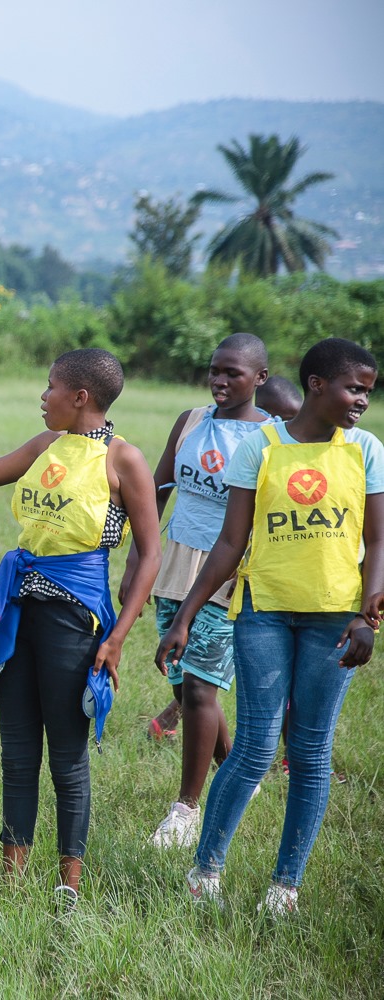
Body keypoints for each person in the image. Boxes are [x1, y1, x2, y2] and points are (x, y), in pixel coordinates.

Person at [0, 349, 161, 911]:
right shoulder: (45, 447)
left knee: (67, 754)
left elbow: (150, 554)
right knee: (17, 753)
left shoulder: (123, 461)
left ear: (80, 398)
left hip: (75, 617)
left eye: (49, 387)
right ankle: (10, 880)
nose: (41, 397)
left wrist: (117, 637)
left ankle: (68, 884)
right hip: (20, 610)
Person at [159, 338, 384, 917]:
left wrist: (367, 615)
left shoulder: (366, 450)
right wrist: (185, 614)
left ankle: (285, 886)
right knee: (256, 745)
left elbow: (379, 541)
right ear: (316, 384)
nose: (363, 399)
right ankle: (204, 869)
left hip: (336, 620)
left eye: (367, 390)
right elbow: (231, 541)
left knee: (311, 751)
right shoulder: (260, 447)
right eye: (354, 387)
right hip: (263, 611)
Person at [121, 334, 270, 848]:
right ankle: (238, 773)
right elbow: (155, 493)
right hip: (175, 564)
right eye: (215, 371)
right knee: (183, 683)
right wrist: (137, 564)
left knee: (202, 688)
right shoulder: (189, 421)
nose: (221, 381)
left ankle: (185, 810)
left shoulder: (271, 439)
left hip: (227, 574)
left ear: (261, 380)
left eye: (234, 373)